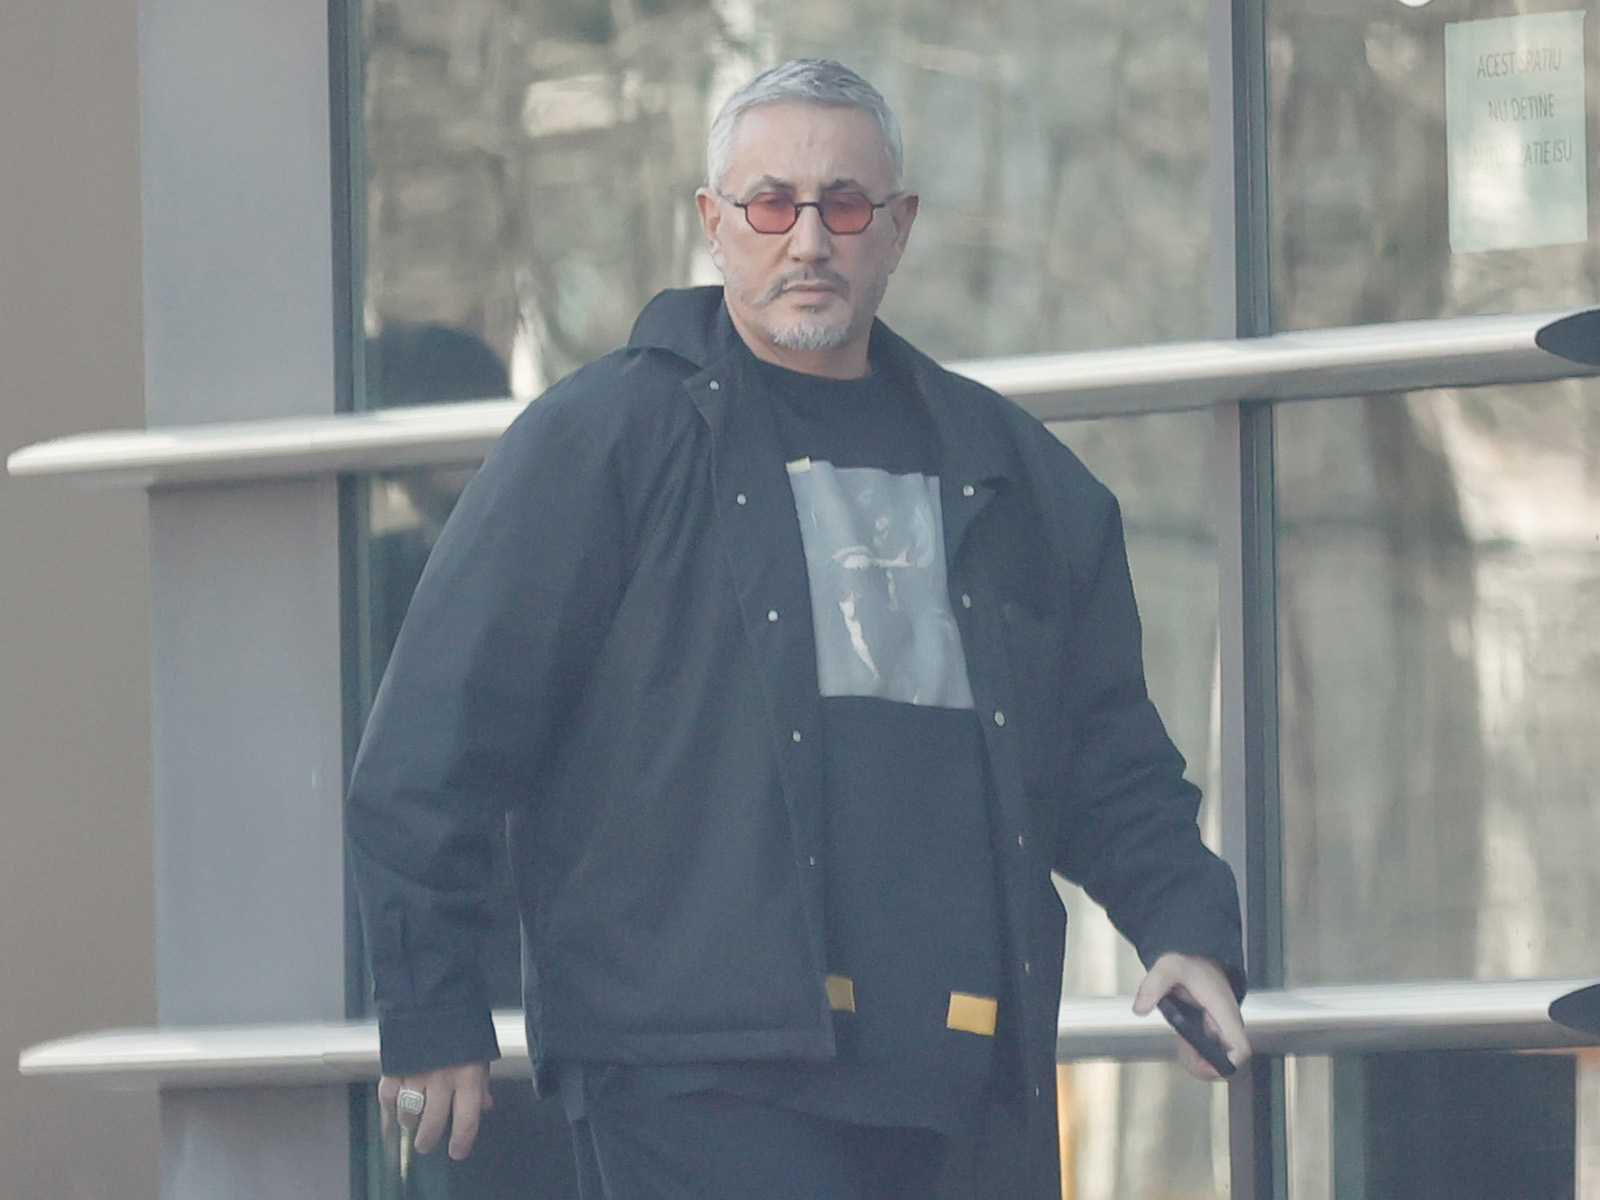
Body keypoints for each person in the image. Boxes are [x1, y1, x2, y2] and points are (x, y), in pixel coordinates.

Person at [346, 57, 1251, 1199]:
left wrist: (1184, 926)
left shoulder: (1014, 476)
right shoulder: (603, 443)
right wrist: (430, 1008)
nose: (808, 240)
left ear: (898, 227)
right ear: (713, 224)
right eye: (771, 205)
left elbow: (1106, 759)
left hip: (961, 1081)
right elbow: (435, 744)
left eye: (845, 206)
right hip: (694, 1077)